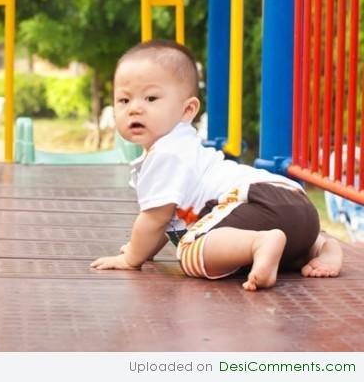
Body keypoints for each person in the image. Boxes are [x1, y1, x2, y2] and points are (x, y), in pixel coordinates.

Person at [90, 39, 343, 291]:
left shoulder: (166, 153)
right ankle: (319, 246)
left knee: (189, 250)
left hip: (258, 200)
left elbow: (155, 218)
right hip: (299, 210)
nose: (135, 109)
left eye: (151, 98)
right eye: (124, 101)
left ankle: (259, 242)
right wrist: (144, 249)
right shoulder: (181, 147)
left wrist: (132, 257)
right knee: (263, 244)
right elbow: (166, 223)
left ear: (187, 110)